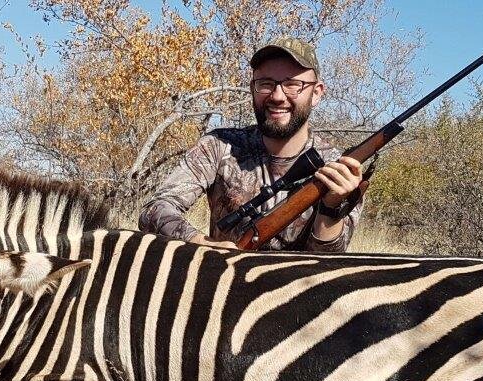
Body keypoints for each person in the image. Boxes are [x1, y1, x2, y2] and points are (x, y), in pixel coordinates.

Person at [138, 36, 368, 252]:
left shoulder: (340, 169)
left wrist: (330, 209)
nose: (277, 96)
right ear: (252, 89)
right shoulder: (219, 145)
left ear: (316, 93)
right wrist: (201, 243)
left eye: (292, 84)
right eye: (266, 83)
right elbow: (154, 210)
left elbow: (330, 264)